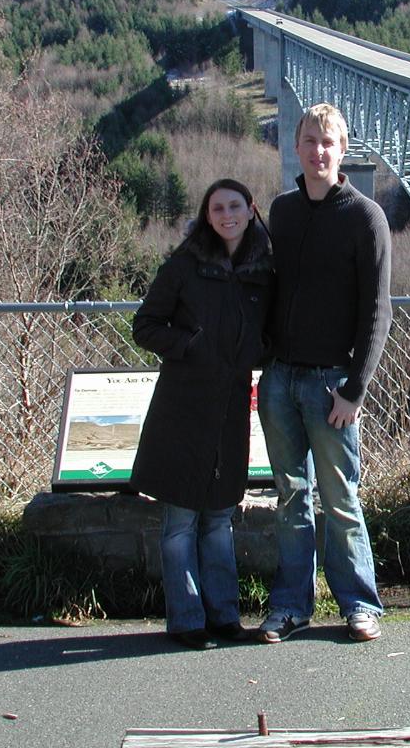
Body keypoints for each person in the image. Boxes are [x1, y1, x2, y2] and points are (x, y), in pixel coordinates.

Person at [256, 102, 393, 644]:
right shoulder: (283, 211)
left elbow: (377, 311)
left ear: (342, 150)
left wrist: (354, 390)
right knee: (290, 499)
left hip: (333, 384)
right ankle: (291, 607)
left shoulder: (365, 217)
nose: (318, 151)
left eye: (328, 143)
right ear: (297, 147)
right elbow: (267, 292)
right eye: (309, 141)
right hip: (281, 381)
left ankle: (361, 604)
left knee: (340, 499)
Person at [129, 178, 273, 650]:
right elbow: (146, 325)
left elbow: (273, 328)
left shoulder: (264, 269)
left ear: (251, 210)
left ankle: (224, 617)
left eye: (235, 205)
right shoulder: (186, 264)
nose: (227, 214)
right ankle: (187, 620)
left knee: (219, 516)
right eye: (217, 207)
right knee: (181, 521)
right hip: (184, 404)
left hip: (231, 404)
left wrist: (260, 353)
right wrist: (189, 345)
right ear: (207, 215)